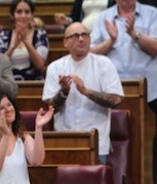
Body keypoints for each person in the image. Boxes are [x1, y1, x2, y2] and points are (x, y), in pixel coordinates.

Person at [42, 21, 123, 163]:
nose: (81, 39)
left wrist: (87, 92)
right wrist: (64, 92)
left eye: (84, 35)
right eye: (75, 36)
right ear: (65, 42)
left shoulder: (104, 64)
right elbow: (50, 107)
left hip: (97, 144)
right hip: (64, 142)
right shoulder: (55, 67)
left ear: (90, 39)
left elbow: (116, 100)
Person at [90, 0, 157, 110]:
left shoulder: (152, 14)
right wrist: (110, 41)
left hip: (148, 91)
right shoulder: (104, 18)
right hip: (112, 89)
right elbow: (90, 54)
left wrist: (134, 33)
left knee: (149, 131)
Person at [0, 90, 53, 184]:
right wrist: (6, 135)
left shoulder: (23, 136)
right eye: (1, 108)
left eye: (9, 105)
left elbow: (37, 161)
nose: (8, 109)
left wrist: (38, 128)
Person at [0, 0, 48, 81]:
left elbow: (40, 65)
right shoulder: (3, 35)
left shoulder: (40, 34)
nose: (23, 16)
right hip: (8, 82)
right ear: (12, 15)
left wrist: (26, 42)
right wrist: (12, 47)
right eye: (19, 12)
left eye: (27, 12)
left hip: (34, 83)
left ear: (32, 14)